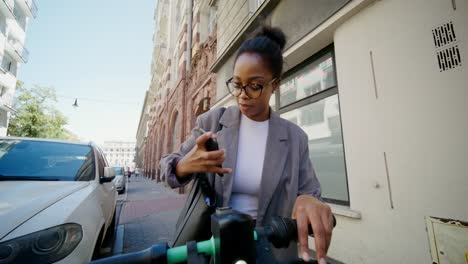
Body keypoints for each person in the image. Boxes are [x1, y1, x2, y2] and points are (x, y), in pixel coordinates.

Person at [160, 26, 333, 263]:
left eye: (254, 85)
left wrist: (309, 201)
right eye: (237, 84)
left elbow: (311, 193)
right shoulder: (212, 123)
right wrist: (183, 165)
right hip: (213, 248)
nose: (242, 94)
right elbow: (167, 169)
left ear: (275, 84)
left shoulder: (295, 138)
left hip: (271, 250)